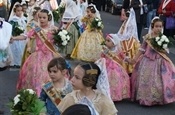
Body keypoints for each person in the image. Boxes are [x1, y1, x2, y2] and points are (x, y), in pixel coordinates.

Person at [127, 17, 175, 106]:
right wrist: (134, 59)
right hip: (147, 60)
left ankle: (156, 98)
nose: (159, 28)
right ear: (152, 27)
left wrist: (161, 47)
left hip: (158, 61)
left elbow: (165, 51)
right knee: (144, 78)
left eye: (160, 26)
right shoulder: (148, 37)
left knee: (158, 80)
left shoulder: (163, 38)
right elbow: (142, 49)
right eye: (156, 26)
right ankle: (144, 98)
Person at [16, 9, 60, 96]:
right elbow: (26, 36)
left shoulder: (54, 29)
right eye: (40, 17)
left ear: (49, 18)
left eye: (44, 17)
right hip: (37, 56)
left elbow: (59, 41)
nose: (42, 19)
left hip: (49, 56)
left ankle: (50, 95)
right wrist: (14, 38)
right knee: (36, 76)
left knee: (49, 75)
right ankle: (36, 94)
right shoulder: (36, 29)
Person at [99, 34, 130, 101]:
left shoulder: (118, 50)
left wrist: (128, 60)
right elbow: (102, 57)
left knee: (117, 80)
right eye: (106, 40)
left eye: (108, 41)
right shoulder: (106, 50)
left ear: (114, 43)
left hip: (116, 67)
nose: (106, 42)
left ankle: (115, 95)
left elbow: (123, 56)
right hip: (106, 66)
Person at [116, 8, 140, 74]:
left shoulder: (130, 23)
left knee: (128, 52)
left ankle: (129, 68)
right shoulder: (125, 22)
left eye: (123, 15)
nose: (122, 16)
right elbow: (121, 31)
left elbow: (129, 34)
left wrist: (121, 38)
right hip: (124, 38)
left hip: (129, 40)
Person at [8, 3, 27, 67]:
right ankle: (15, 63)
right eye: (18, 11)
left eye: (21, 10)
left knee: (22, 50)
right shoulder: (13, 20)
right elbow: (10, 29)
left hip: (23, 37)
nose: (19, 12)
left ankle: (21, 62)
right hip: (15, 38)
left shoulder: (24, 19)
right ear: (15, 11)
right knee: (16, 50)